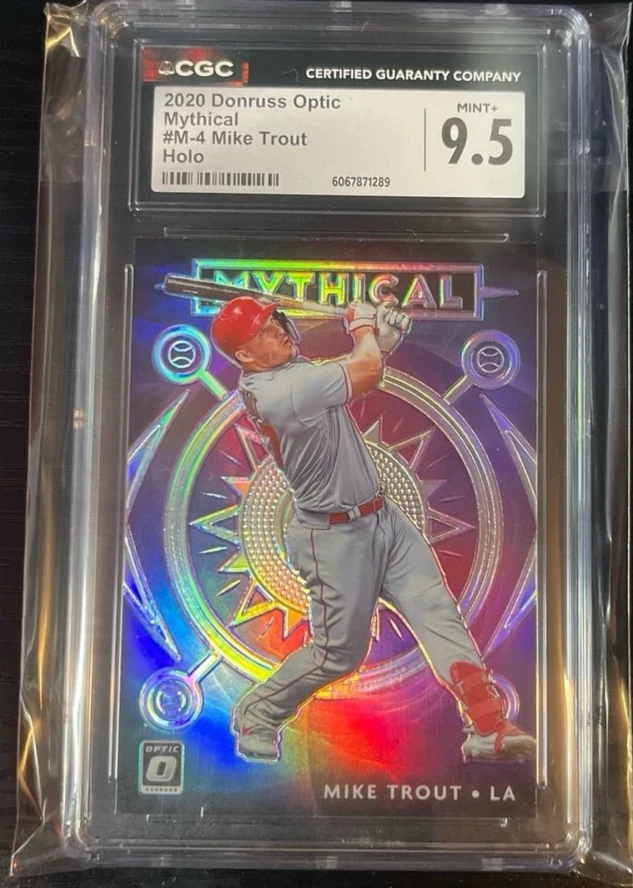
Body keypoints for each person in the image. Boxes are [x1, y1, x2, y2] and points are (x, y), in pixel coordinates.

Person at [210, 296, 536, 764]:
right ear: (244, 355)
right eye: (262, 332)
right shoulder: (280, 390)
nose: (278, 330)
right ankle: (258, 712)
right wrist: (363, 328)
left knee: (438, 612)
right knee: (338, 655)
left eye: (274, 321)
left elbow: (360, 365)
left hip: (383, 517)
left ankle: (488, 725)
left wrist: (381, 338)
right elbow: (364, 371)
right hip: (332, 538)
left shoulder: (294, 374)